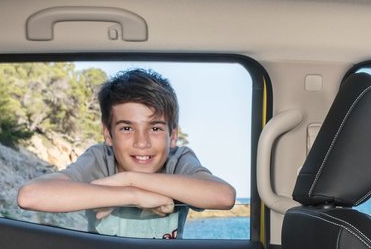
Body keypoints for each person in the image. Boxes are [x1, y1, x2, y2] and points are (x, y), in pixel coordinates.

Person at [16, 68, 235, 237]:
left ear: (173, 136)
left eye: (155, 128)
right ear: (108, 134)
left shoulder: (177, 159)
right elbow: (30, 195)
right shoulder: (101, 158)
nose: (142, 143)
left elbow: (223, 196)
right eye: (127, 128)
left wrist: (128, 179)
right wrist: (134, 195)